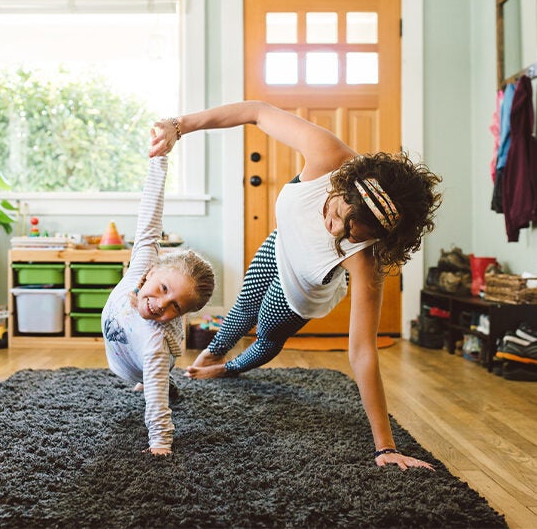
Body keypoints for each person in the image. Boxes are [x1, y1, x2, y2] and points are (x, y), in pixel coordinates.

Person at [149, 102, 442, 470]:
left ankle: (231, 368)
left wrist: (385, 447)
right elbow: (256, 111)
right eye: (337, 214)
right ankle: (214, 353)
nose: (335, 230)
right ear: (342, 184)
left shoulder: (367, 261)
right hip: (281, 243)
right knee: (243, 306)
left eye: (350, 235)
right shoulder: (328, 155)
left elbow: (363, 351)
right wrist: (180, 125)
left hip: (302, 288)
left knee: (267, 335)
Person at [101, 154, 215, 456]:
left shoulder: (154, 343)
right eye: (162, 288)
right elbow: (150, 218)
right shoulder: (142, 265)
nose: (159, 304)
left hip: (142, 365)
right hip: (125, 355)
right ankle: (161, 381)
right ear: (152, 272)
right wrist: (158, 162)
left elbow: (157, 408)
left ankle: (165, 382)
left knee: (156, 384)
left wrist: (160, 444)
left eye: (174, 306)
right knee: (155, 377)